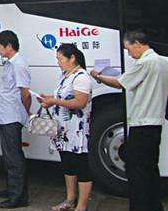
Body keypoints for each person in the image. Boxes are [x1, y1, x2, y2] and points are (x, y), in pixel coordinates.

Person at [90, 31, 168, 211]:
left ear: (137, 44)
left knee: (136, 172)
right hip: (155, 123)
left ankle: (140, 207)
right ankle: (154, 206)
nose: (129, 54)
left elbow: (120, 83)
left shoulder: (145, 63)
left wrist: (98, 77)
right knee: (151, 169)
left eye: (128, 49)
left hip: (141, 125)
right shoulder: (163, 63)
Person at [40, 44, 93, 211]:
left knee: (81, 166)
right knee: (68, 164)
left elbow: (80, 102)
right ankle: (70, 200)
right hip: (63, 130)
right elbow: (63, 97)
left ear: (72, 58)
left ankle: (81, 206)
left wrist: (55, 101)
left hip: (77, 130)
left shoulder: (81, 76)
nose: (58, 62)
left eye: (60, 59)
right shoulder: (65, 75)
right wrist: (49, 99)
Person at [0, 30, 30, 209]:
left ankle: (18, 197)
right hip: (4, 115)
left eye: (0, 46)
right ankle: (12, 188)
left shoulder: (19, 64)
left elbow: (25, 93)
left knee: (14, 157)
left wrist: (26, 112)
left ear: (9, 46)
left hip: (12, 116)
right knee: (8, 156)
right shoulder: (9, 62)